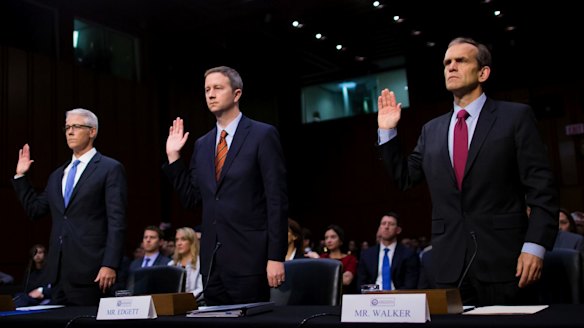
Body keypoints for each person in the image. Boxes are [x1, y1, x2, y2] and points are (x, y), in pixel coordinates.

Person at [376, 37, 558, 305]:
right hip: (449, 266)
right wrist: (387, 131)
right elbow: (404, 178)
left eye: (460, 61)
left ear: (483, 72)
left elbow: (542, 190)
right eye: (447, 62)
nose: (451, 67)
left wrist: (535, 247)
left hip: (506, 262)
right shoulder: (431, 130)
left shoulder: (515, 117)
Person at [163, 66, 288, 305]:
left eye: (218, 88)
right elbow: (192, 199)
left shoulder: (262, 135)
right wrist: (174, 158)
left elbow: (276, 200)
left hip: (250, 259)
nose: (210, 94)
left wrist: (275, 256)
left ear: (237, 94)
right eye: (207, 89)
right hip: (211, 265)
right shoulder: (202, 144)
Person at [12, 108, 127, 306]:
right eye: (67, 127)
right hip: (58, 275)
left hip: (93, 272)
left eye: (76, 126)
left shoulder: (109, 168)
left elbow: (117, 220)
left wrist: (110, 264)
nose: (69, 132)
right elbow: (35, 209)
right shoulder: (58, 175)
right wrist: (21, 177)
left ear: (92, 131)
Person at [357, 212, 420, 291]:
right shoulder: (367, 254)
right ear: (379, 228)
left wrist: (391, 296)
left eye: (391, 224)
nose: (386, 227)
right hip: (372, 298)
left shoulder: (408, 254)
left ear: (398, 230)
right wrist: (375, 292)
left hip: (399, 298)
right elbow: (361, 284)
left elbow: (410, 285)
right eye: (383, 224)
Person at [306, 224, 358, 293]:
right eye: (326, 238)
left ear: (341, 240)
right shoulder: (322, 257)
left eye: (333, 237)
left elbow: (346, 280)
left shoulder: (350, 259)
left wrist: (319, 261)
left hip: (343, 297)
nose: (329, 241)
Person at [168, 227, 203, 300]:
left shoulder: (200, 262)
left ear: (192, 242)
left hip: (196, 304)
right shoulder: (171, 265)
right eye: (177, 240)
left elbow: (201, 289)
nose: (179, 243)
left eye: (183, 239)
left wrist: (183, 299)